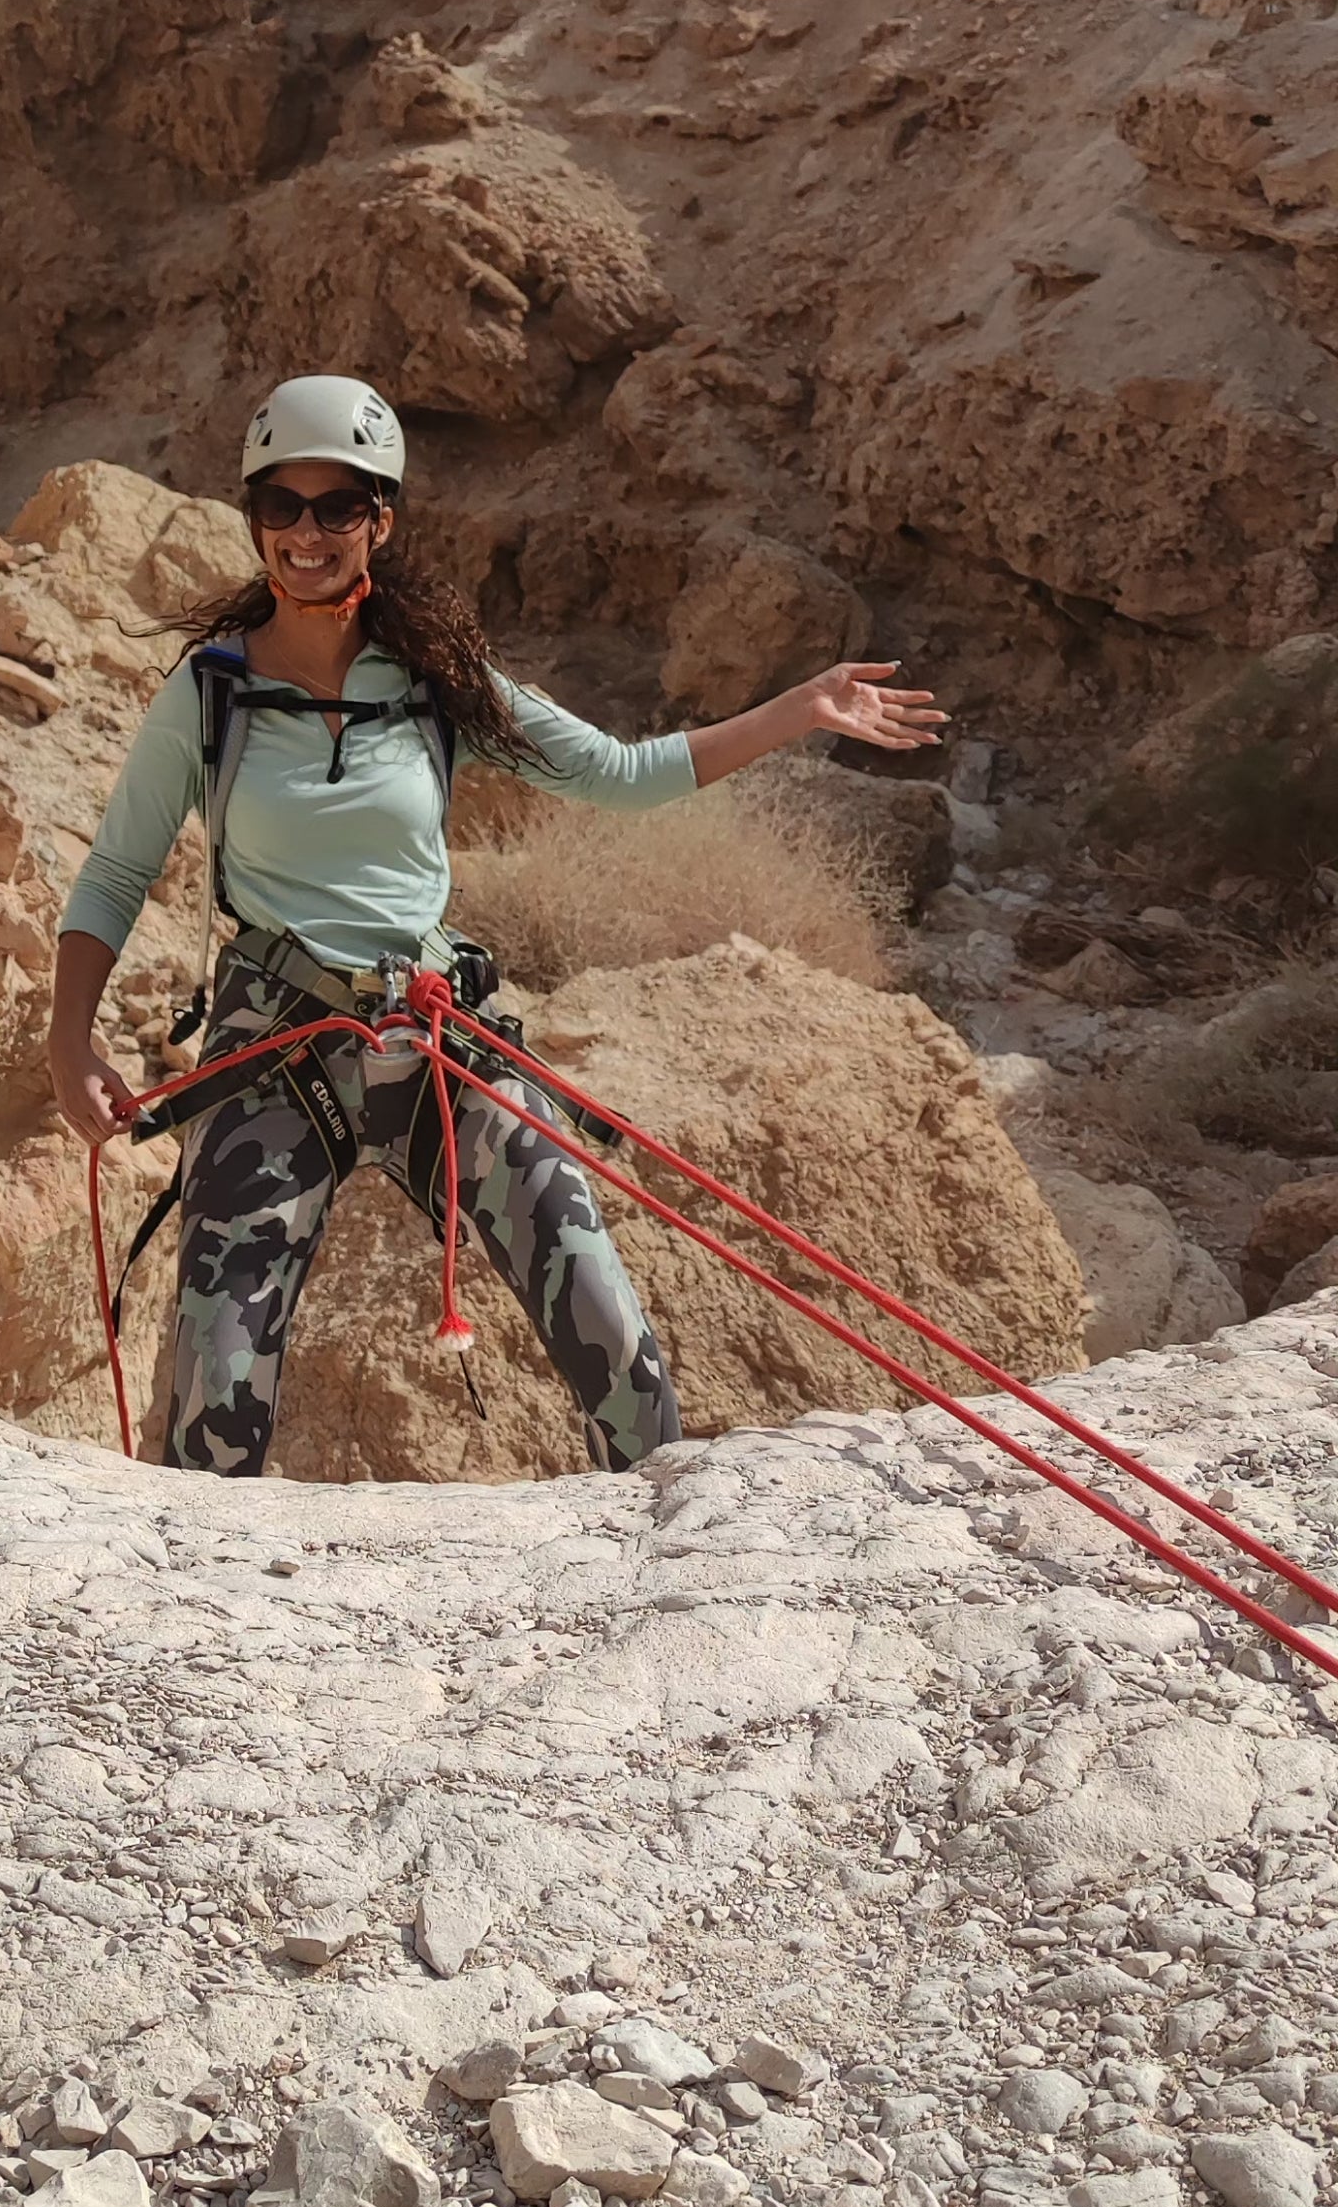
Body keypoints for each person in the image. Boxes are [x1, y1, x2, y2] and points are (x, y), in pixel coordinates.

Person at [48, 374, 944, 1477]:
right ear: (253, 518)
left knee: (611, 1334)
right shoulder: (209, 694)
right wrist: (67, 1036)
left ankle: (663, 1566)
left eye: (337, 506)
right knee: (211, 1400)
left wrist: (797, 710)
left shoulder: (435, 684)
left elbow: (622, 775)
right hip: (270, 1051)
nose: (307, 532)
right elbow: (117, 870)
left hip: (432, 1038)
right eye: (281, 505)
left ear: (380, 517)